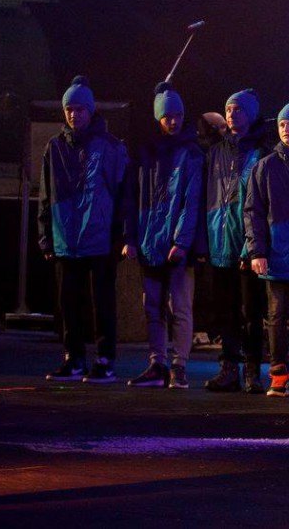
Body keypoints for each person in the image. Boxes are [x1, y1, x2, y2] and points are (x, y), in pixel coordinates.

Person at [39, 75, 129, 383]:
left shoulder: (110, 146)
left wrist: (120, 235)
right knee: (69, 303)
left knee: (102, 302)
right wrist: (46, 237)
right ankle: (73, 358)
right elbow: (46, 195)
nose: (74, 115)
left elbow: (122, 193)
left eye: (79, 109)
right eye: (69, 109)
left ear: (90, 111)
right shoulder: (54, 148)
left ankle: (105, 360)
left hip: (100, 237)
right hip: (66, 237)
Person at [123, 82, 203, 389]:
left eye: (178, 115)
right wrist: (131, 238)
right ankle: (157, 363)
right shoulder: (147, 153)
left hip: (177, 246)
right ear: (158, 118)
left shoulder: (191, 153)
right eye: (168, 116)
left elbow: (191, 201)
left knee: (179, 307)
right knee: (153, 306)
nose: (173, 121)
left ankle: (179, 365)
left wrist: (181, 241)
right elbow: (133, 198)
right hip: (149, 242)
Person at [244, 97, 289, 398]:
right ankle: (278, 373)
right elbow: (253, 211)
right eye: (282, 124)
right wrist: (257, 251)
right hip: (277, 252)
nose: (286, 129)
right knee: (276, 317)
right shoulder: (265, 166)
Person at [203, 88, 270, 393]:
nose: (231, 115)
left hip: (247, 245)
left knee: (251, 311)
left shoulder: (261, 152)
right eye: (229, 109)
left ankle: (253, 370)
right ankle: (229, 367)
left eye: (238, 109)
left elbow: (262, 203)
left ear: (251, 114)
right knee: (225, 311)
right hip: (220, 242)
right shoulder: (216, 151)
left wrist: (252, 245)